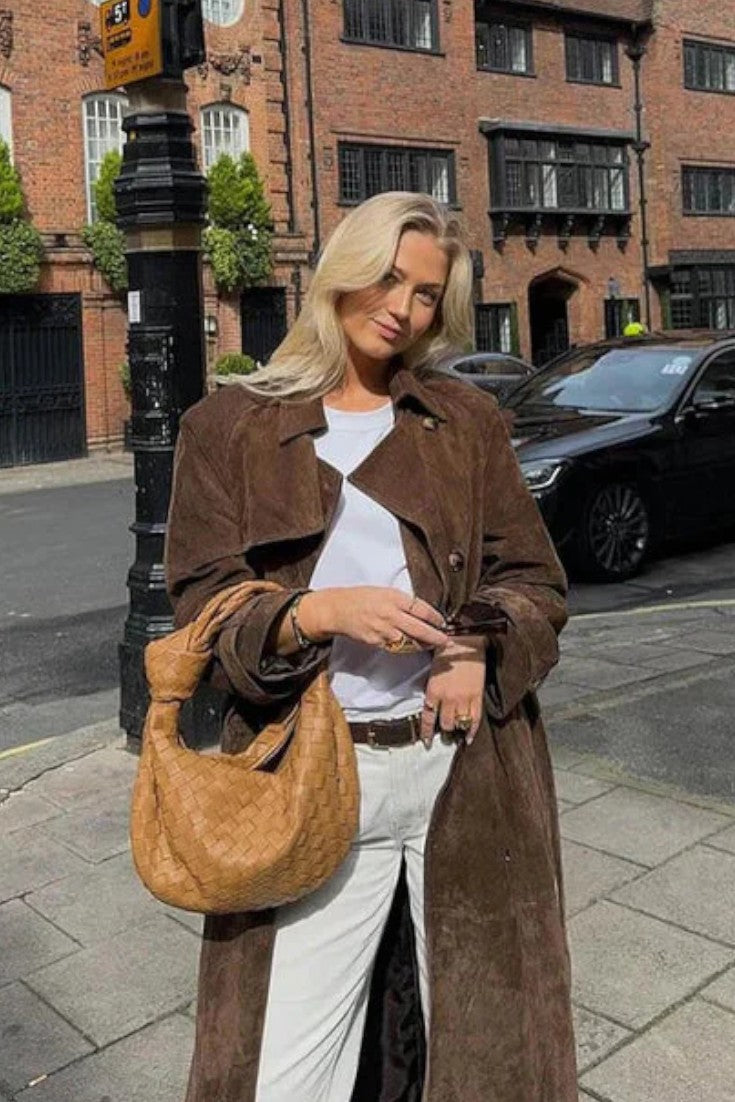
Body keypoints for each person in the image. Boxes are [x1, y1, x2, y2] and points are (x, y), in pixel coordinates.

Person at [165, 192, 577, 1102]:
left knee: (485, 1050)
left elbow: (535, 579)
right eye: (388, 277)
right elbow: (200, 606)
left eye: (426, 294)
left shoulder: (463, 420)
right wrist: (314, 613)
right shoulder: (228, 427)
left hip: (463, 770)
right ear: (340, 272)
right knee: (283, 1066)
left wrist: (472, 646)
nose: (402, 308)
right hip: (313, 774)